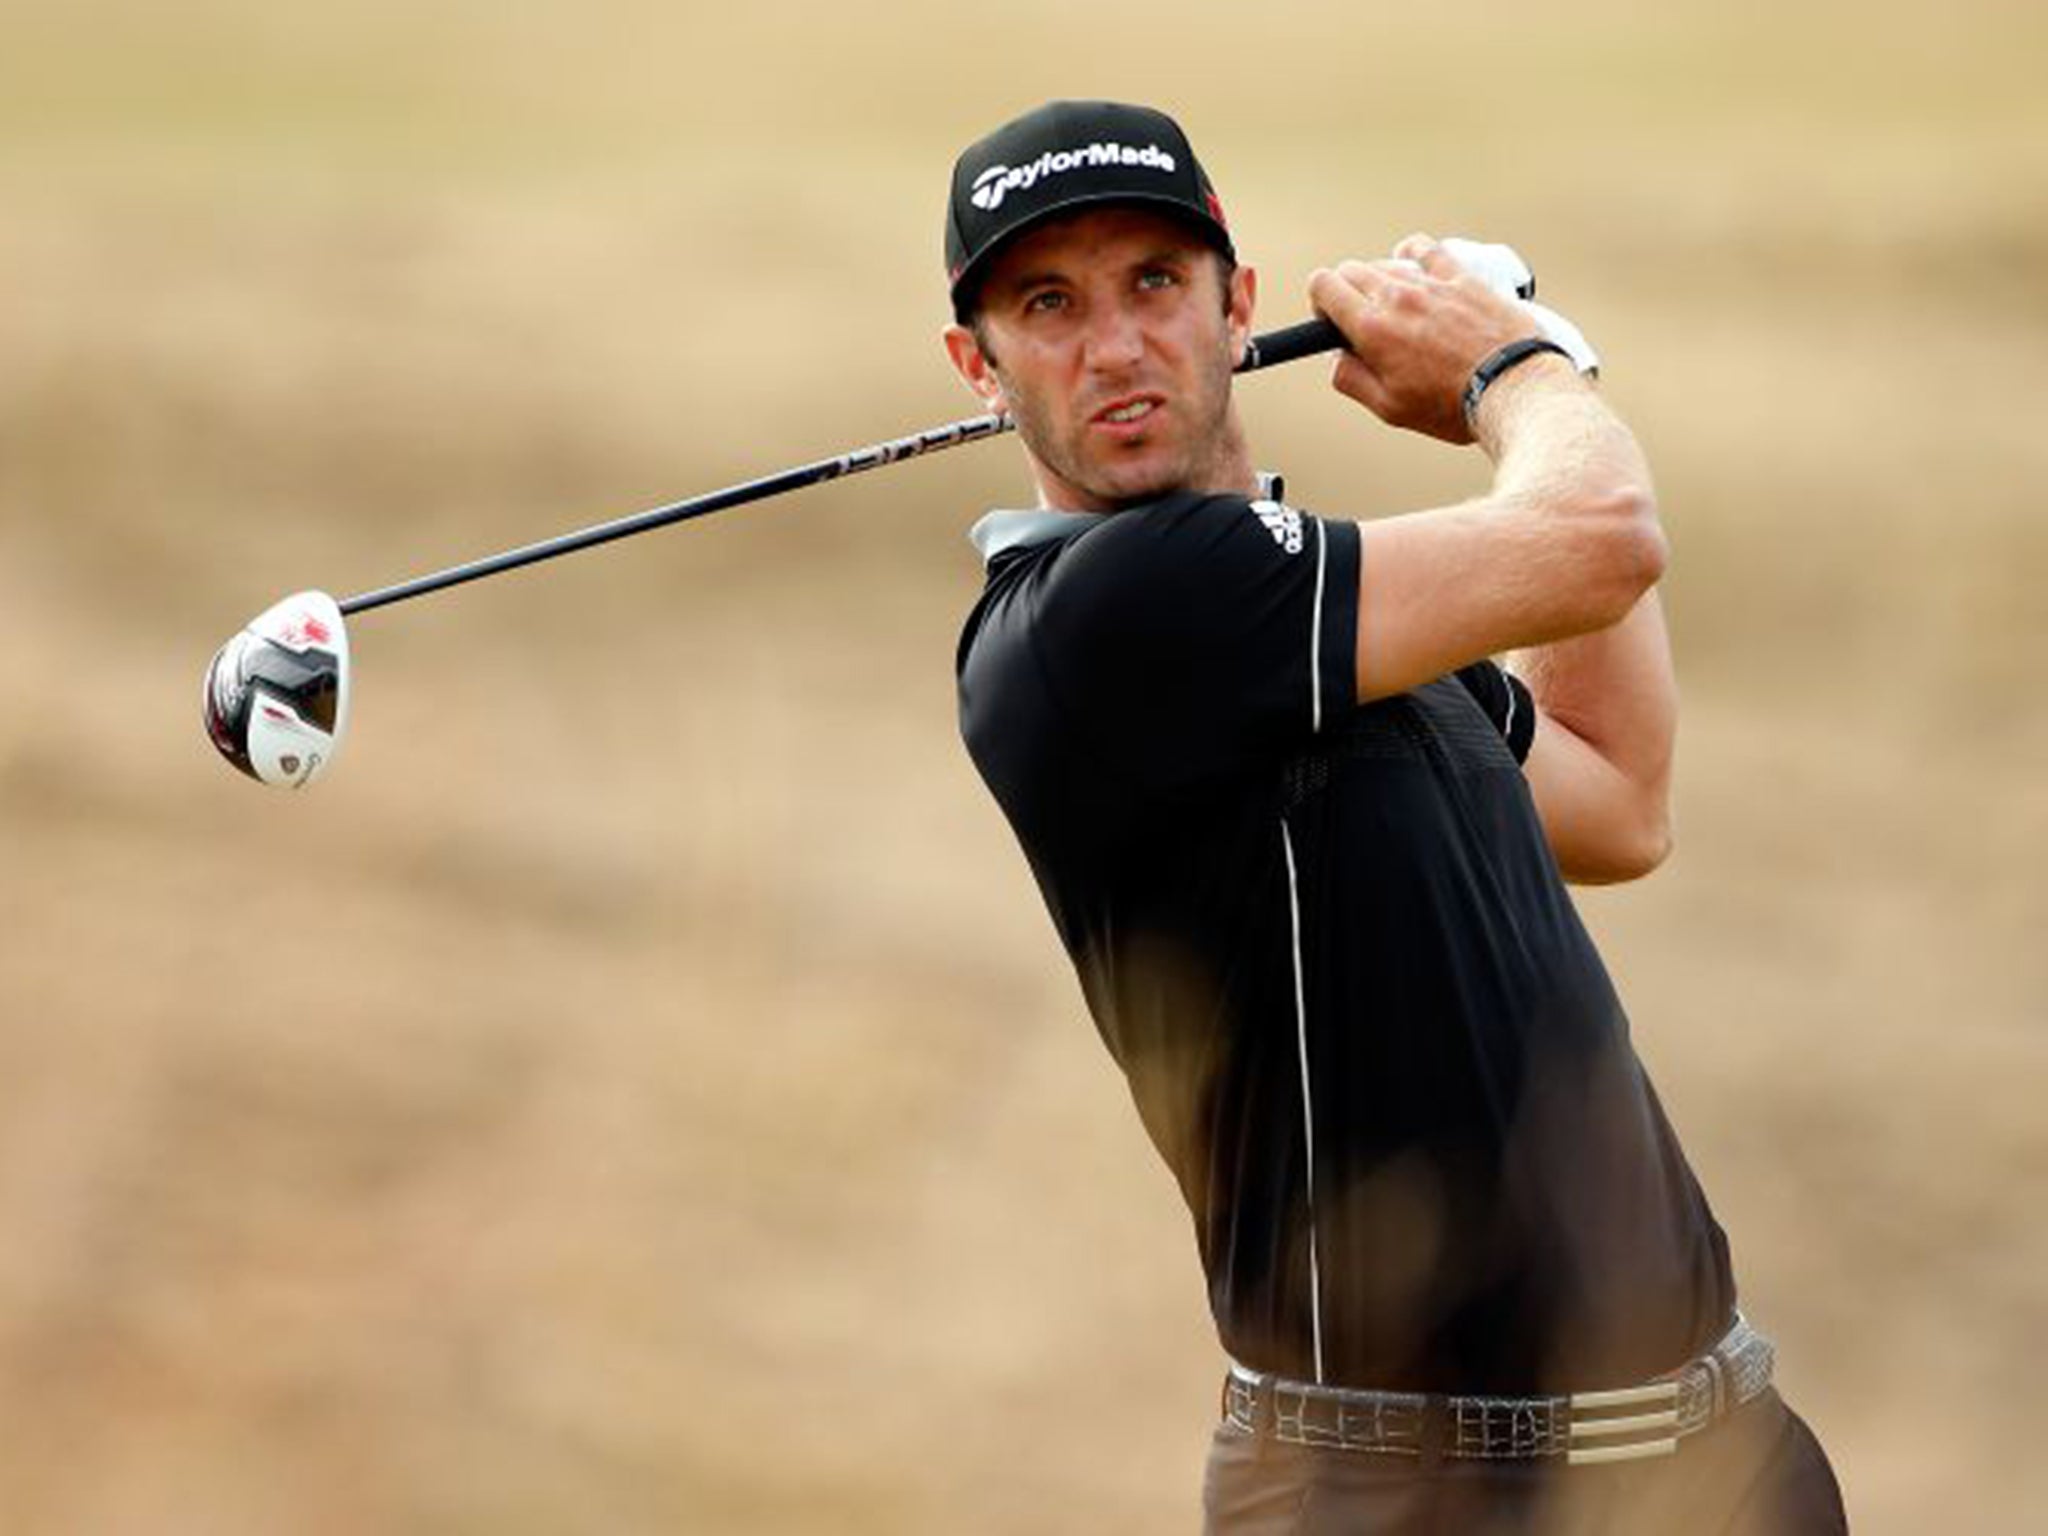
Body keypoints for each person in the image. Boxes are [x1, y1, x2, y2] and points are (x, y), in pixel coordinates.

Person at [940, 100, 1849, 1534]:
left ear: (1237, 308)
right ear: (975, 367)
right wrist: (1521, 369)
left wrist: (1539, 377)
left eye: (1156, 284)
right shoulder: (1115, 613)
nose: (1114, 346)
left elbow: (1614, 798)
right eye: (1047, 304)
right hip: (1408, 1488)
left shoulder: (1311, 611)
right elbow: (1600, 538)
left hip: (1711, 1452)